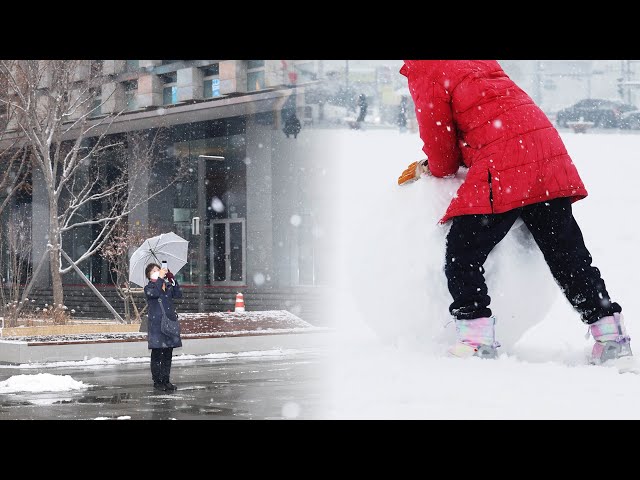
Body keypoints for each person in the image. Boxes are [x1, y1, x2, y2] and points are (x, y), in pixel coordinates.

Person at [397, 60, 631, 364]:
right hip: (545, 155)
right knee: (568, 257)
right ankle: (611, 338)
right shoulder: (478, 61)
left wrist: (427, 167)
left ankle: (476, 338)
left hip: (504, 162)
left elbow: (442, 153)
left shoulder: (427, 68)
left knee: (463, 252)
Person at [144, 262, 182, 391]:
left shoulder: (167, 285)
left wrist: (172, 279)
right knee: (157, 354)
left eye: (158, 269)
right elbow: (154, 293)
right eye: (154, 271)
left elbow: (178, 294)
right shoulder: (149, 287)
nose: (158, 271)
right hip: (156, 325)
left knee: (168, 354)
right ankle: (157, 381)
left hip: (169, 324)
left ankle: (166, 380)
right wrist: (160, 278)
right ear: (149, 275)